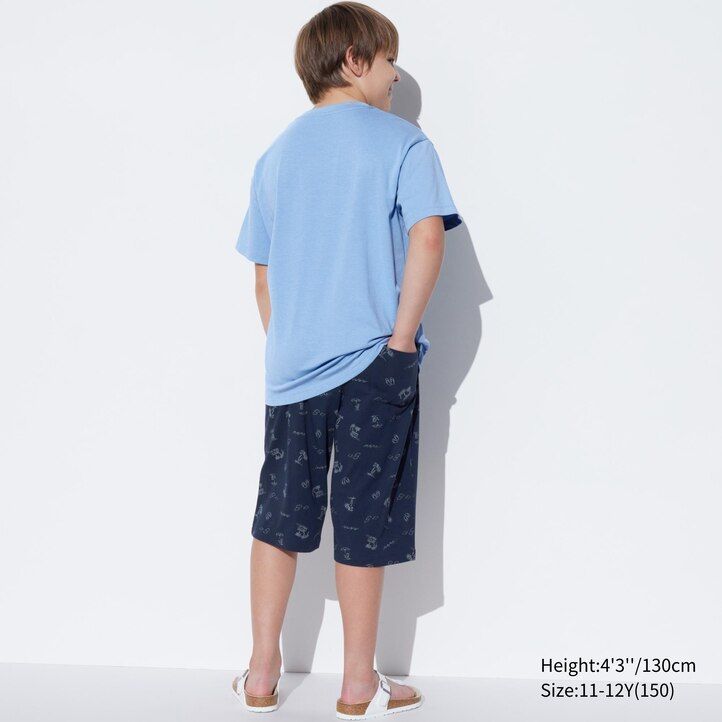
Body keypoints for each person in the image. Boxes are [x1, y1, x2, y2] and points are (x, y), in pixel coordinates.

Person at [231, 2, 463, 718]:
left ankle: (262, 671)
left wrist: (291, 343)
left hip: (292, 369)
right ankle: (358, 682)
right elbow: (428, 238)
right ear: (356, 61)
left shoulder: (276, 154)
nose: (395, 76)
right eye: (390, 61)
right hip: (373, 363)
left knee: (279, 514)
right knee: (365, 519)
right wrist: (401, 341)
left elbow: (263, 275)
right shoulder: (404, 142)